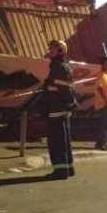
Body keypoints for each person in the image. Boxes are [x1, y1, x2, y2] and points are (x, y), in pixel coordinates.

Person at [43, 39, 77, 179]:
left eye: (53, 48)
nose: (50, 50)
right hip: (64, 108)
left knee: (57, 141)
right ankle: (68, 168)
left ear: (60, 51)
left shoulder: (57, 66)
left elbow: (62, 87)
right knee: (64, 140)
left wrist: (48, 85)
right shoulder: (65, 65)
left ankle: (60, 171)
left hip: (57, 107)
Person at [93, 56, 107, 151]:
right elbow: (99, 88)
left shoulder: (105, 74)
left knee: (105, 124)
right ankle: (101, 144)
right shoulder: (100, 74)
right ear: (103, 64)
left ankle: (100, 143)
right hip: (103, 104)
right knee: (104, 124)